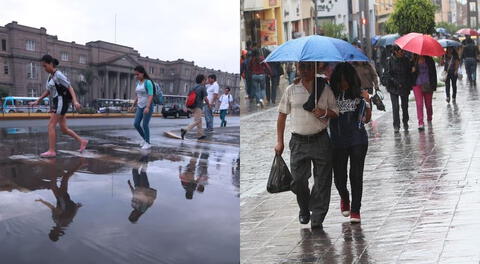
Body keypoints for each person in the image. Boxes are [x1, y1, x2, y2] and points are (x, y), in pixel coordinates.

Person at [275, 61, 339, 229]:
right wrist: (279, 141)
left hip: (320, 140)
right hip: (298, 142)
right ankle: (304, 207)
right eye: (301, 67)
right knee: (298, 181)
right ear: (297, 68)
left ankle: (317, 216)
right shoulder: (291, 89)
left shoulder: (324, 87)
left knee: (322, 181)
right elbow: (281, 115)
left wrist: (323, 112)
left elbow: (335, 111)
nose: (305, 70)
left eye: (309, 67)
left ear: (315, 68)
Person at [329, 62, 372, 223]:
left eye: (346, 80)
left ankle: (356, 210)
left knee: (356, 175)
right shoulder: (330, 94)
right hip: (337, 141)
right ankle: (344, 196)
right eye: (340, 81)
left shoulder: (359, 94)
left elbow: (366, 119)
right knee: (339, 178)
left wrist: (367, 103)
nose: (343, 84)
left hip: (357, 139)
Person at [29, 54, 88, 158]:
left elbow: (70, 87)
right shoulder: (50, 76)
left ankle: (52, 151)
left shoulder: (58, 74)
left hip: (62, 101)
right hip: (58, 102)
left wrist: (75, 101)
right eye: (43, 66)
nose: (44, 68)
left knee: (51, 125)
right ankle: (82, 141)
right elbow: (48, 91)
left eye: (45, 66)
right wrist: (38, 100)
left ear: (51, 64)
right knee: (64, 129)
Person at [35, 158, 85, 241]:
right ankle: (79, 164)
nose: (52, 229)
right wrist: (77, 207)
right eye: (53, 231)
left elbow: (51, 207)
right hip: (64, 197)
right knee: (64, 178)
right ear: (57, 233)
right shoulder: (64, 223)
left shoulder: (55, 220)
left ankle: (52, 165)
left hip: (59, 197)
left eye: (51, 231)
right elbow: (72, 214)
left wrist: (42, 201)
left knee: (54, 183)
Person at [384, 46, 413, 133]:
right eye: (400, 51)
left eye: (403, 50)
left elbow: (409, 72)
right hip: (393, 86)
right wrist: (395, 82)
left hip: (404, 86)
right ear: (395, 52)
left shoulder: (406, 60)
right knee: (395, 106)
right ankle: (396, 125)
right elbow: (387, 74)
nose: (402, 52)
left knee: (405, 106)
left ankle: (405, 121)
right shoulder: (390, 61)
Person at [128, 65, 155, 149]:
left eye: (137, 74)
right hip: (140, 106)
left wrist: (147, 107)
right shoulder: (138, 83)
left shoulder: (148, 82)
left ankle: (148, 142)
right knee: (136, 124)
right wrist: (133, 105)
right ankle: (145, 139)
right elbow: (138, 96)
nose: (136, 76)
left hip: (147, 106)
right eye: (135, 75)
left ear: (142, 73)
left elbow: (151, 95)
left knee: (145, 124)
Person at [128, 154, 157, 223]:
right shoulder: (142, 209)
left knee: (134, 170)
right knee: (142, 171)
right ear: (136, 216)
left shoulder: (133, 206)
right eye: (132, 215)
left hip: (137, 186)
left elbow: (134, 194)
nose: (131, 213)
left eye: (130, 214)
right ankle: (146, 157)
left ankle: (143, 157)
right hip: (144, 187)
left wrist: (130, 185)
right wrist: (142, 194)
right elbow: (146, 200)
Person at [412, 55, 437, 130]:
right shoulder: (413, 60)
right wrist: (412, 71)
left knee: (428, 104)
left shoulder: (429, 60)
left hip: (427, 84)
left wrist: (434, 85)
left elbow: (433, 73)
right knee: (419, 104)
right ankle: (420, 122)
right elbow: (409, 73)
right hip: (417, 84)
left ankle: (429, 117)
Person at [181, 74, 209, 140]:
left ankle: (200, 135)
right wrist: (209, 105)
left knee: (199, 120)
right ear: (202, 80)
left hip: (191, 106)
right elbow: (205, 98)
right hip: (198, 107)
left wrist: (186, 106)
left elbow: (187, 97)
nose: (206, 81)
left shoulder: (193, 87)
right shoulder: (202, 87)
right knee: (198, 120)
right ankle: (185, 129)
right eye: (205, 80)